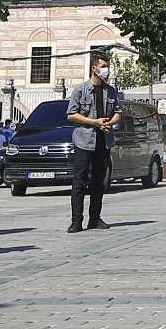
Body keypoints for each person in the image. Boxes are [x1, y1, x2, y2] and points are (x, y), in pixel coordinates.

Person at [65, 55, 122, 233]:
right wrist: (94, 122)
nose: (106, 70)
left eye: (107, 66)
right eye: (103, 66)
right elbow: (71, 114)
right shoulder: (80, 90)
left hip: (103, 141)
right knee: (79, 182)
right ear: (94, 68)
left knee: (99, 182)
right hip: (84, 141)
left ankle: (95, 219)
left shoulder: (111, 91)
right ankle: (76, 220)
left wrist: (108, 123)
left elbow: (118, 113)